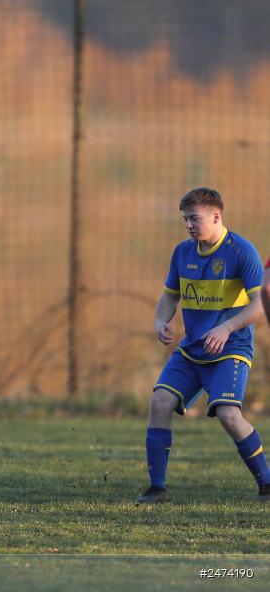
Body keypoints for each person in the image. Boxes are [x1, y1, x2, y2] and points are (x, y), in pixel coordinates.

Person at [140, 187, 269, 504]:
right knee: (160, 402)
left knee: (228, 415)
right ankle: (157, 487)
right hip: (192, 349)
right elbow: (169, 296)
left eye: (194, 218)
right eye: (185, 219)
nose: (188, 225)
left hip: (231, 348)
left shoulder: (241, 252)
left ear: (216, 216)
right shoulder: (182, 253)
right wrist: (160, 321)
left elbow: (261, 305)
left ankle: (266, 482)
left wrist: (226, 327)